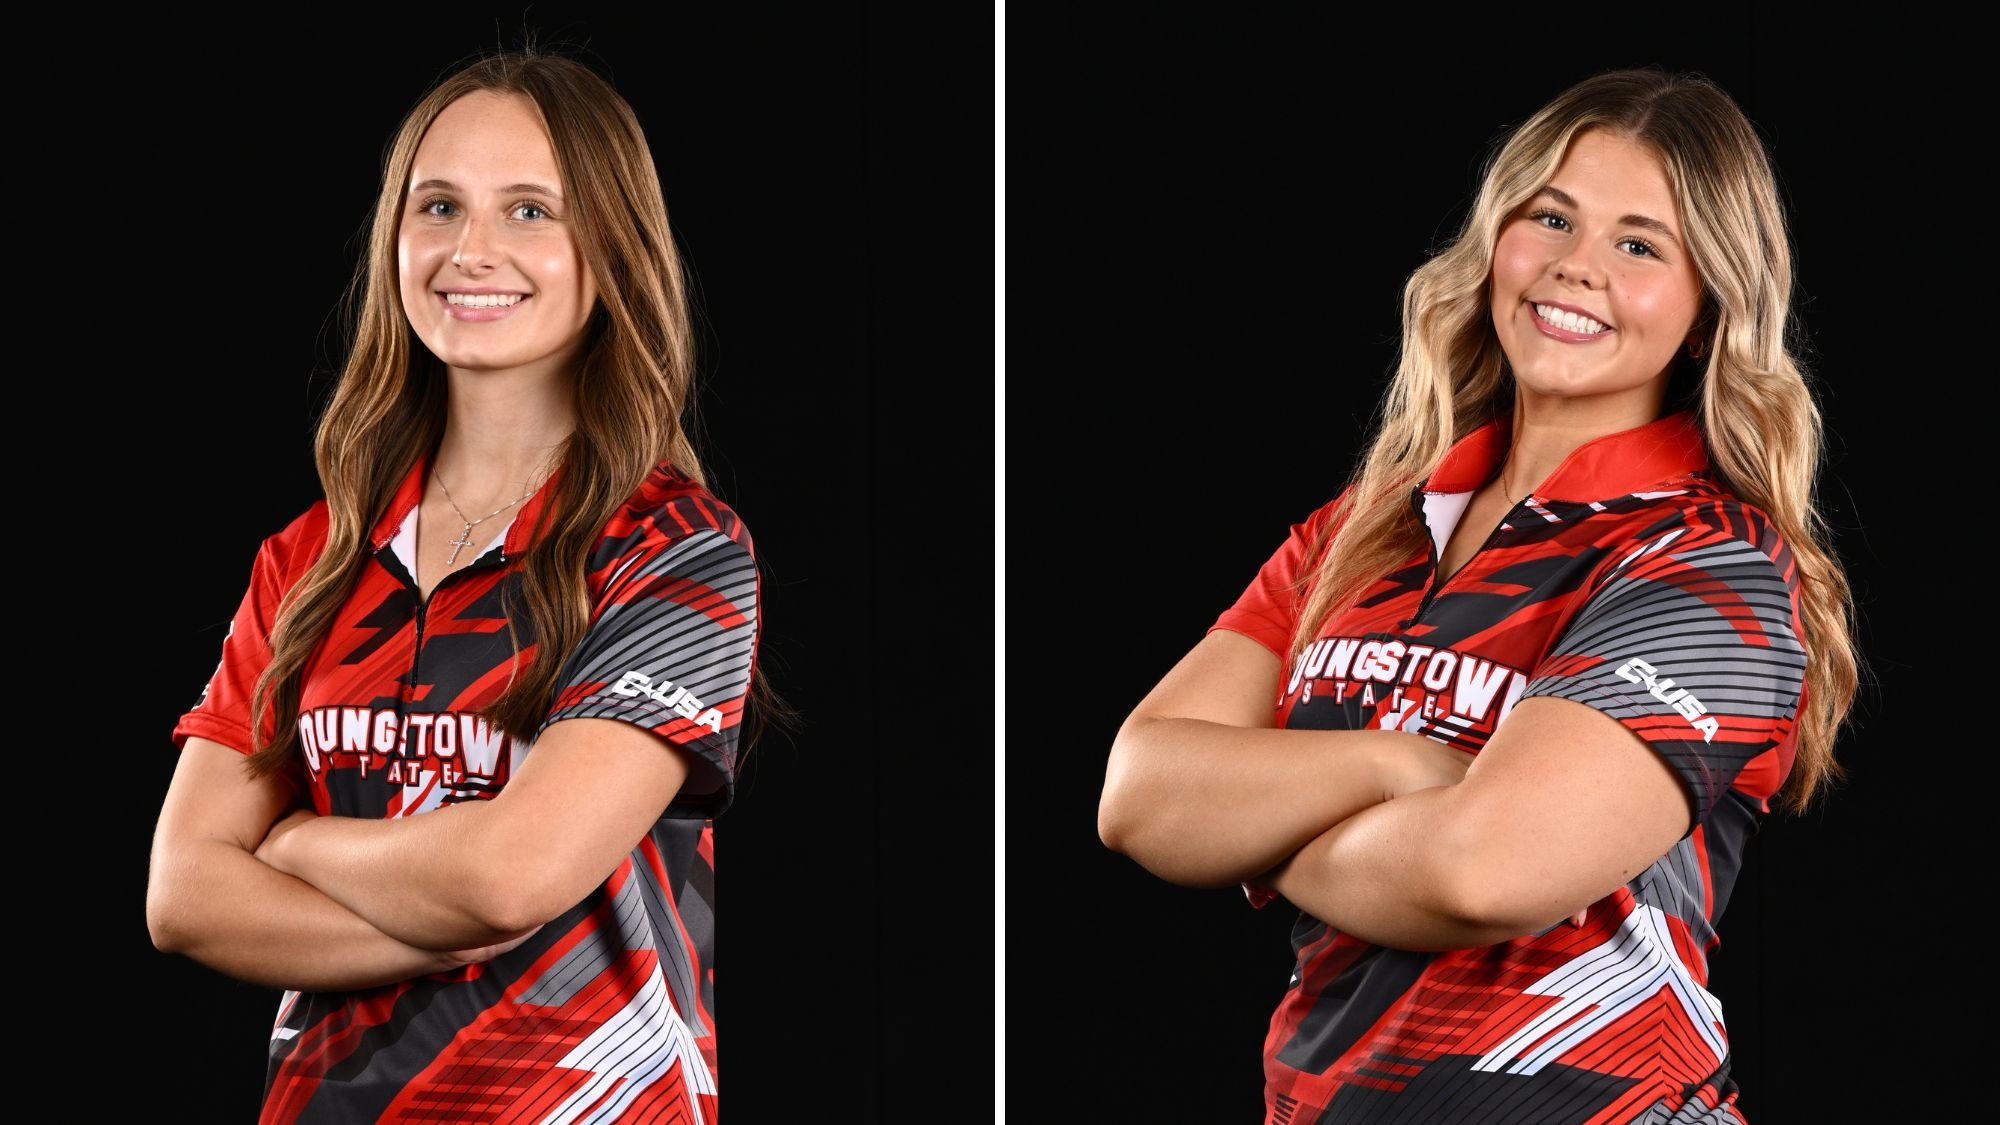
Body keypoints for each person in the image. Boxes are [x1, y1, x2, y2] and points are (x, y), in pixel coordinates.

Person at [1097, 67, 1857, 1123]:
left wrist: (1253, 827)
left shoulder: (1707, 566)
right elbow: (1138, 795)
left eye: (1638, 245)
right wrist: (1391, 766)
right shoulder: (1366, 524)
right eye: (1548, 217)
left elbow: (1474, 874)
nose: (1571, 267)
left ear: (1702, 313)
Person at [146, 49, 763, 1123]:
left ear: (610, 250)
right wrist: (449, 913)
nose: (472, 250)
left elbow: (511, 877)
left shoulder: (676, 549)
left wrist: (289, 845)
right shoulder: (311, 557)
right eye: (440, 205)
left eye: (530, 211)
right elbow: (184, 894)